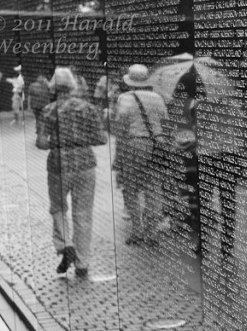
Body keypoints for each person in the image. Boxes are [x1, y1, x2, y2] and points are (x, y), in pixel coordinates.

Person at [38, 67, 107, 278]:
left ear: (53, 87)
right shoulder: (88, 108)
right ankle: (82, 263)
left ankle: (65, 243)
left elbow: (41, 143)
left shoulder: (48, 110)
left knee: (58, 208)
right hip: (85, 164)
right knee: (83, 214)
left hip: (58, 165)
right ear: (72, 85)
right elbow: (102, 139)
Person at [112, 64, 168, 245]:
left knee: (130, 189)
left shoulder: (124, 98)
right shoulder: (158, 98)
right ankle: (151, 233)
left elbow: (120, 129)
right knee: (154, 189)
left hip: (133, 144)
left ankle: (137, 231)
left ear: (129, 81)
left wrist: (117, 158)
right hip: (156, 145)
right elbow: (165, 123)